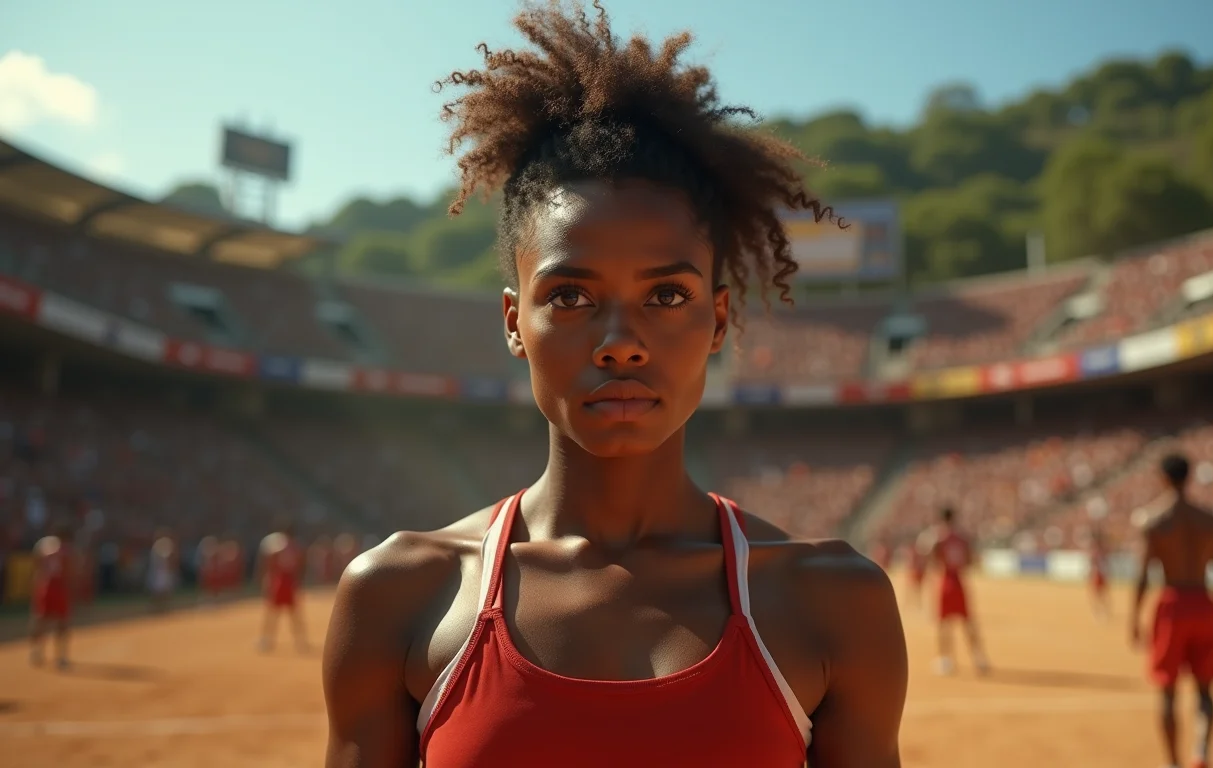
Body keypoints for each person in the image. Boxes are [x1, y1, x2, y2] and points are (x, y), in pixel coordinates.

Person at [321, 4, 908, 766]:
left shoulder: (835, 601)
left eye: (667, 296)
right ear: (513, 320)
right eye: (570, 296)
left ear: (720, 320)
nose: (622, 345)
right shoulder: (399, 593)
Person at [1131, 454, 1213, 768]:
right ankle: (1201, 752)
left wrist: (1134, 617)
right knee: (1205, 690)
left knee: (1168, 692)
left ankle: (1173, 763)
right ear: (1189, 477)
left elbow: (1144, 574)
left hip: (1173, 603)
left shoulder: (1156, 520)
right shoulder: (1210, 520)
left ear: (1163, 477)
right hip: (1204, 602)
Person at [929, 508, 988, 676]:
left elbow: (933, 559)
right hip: (959, 581)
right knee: (968, 621)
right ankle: (979, 658)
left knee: (943, 623)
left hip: (946, 581)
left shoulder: (938, 537)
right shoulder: (962, 538)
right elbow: (970, 560)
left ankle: (945, 660)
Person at [30, 522, 75, 669]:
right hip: (58, 587)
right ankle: (61, 656)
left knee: (41, 619)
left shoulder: (44, 545)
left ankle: (36, 652)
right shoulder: (65, 549)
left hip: (44, 585)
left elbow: (36, 563)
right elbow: (69, 570)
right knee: (61, 622)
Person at [256, 522, 307, 652]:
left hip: (280, 580)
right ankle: (301, 641)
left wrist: (267, 579)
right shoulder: (296, 547)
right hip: (290, 581)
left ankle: (267, 640)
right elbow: (300, 564)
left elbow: (270, 564)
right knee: (294, 613)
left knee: (273, 612)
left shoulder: (277, 547)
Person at [147, 529, 179, 613]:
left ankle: (160, 608)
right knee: (161, 591)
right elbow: (168, 558)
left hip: (159, 572)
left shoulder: (157, 545)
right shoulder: (162, 544)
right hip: (161, 572)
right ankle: (160, 608)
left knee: (161, 591)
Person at [1088, 525, 1110, 622]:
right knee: (1097, 595)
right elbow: (1092, 563)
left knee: (1102, 595)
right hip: (1097, 574)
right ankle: (1097, 612)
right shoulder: (1096, 552)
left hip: (1101, 574)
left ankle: (1102, 611)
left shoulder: (1101, 552)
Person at [197, 535, 222, 605]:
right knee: (207, 587)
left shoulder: (216, 556)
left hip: (213, 574)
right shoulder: (205, 557)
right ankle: (207, 601)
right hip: (208, 574)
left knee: (214, 587)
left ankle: (214, 600)